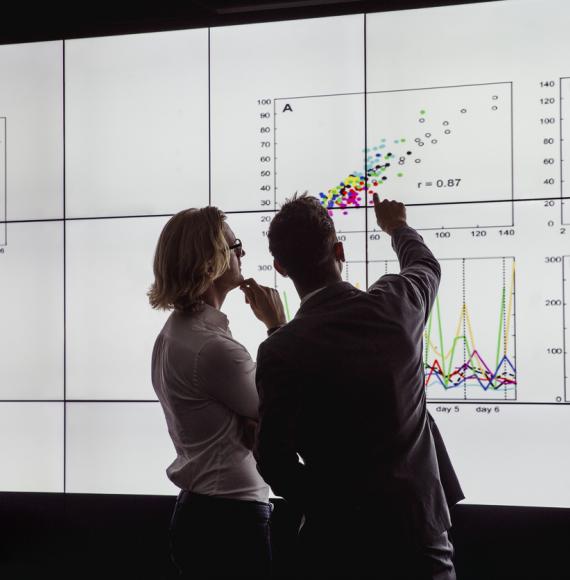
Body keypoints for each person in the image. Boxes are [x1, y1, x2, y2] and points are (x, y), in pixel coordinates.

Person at [241, 193, 464, 579]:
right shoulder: (397, 303)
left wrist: (335, 504)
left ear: (279, 267)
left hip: (339, 544)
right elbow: (425, 264)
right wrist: (396, 227)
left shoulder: (281, 349)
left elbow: (274, 462)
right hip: (419, 538)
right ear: (339, 249)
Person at [148, 206, 286, 579]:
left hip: (204, 513)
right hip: (231, 521)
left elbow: (261, 413)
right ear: (209, 262)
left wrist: (254, 418)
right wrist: (278, 327)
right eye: (233, 245)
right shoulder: (212, 348)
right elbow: (285, 414)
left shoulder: (175, 334)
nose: (241, 253)